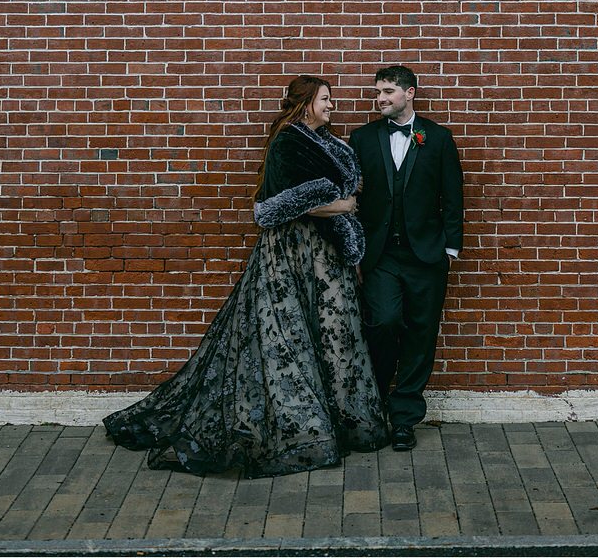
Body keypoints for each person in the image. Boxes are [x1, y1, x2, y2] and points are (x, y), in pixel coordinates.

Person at [103, 76, 388, 478]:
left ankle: (341, 423)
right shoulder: (288, 141)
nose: (331, 106)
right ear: (306, 102)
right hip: (291, 253)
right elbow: (282, 204)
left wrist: (343, 204)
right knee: (289, 338)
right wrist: (341, 204)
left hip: (326, 255)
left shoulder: (329, 142)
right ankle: (303, 429)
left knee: (333, 335)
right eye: (325, 99)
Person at [351, 64, 463, 452]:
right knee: (382, 322)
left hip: (426, 255)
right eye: (377, 92)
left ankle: (404, 418)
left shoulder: (438, 138)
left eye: (387, 91)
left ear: (409, 93)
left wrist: (450, 249)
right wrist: (355, 251)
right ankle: (376, 402)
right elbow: (353, 197)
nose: (379, 98)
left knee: (421, 333)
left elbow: (452, 196)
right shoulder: (362, 138)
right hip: (380, 254)